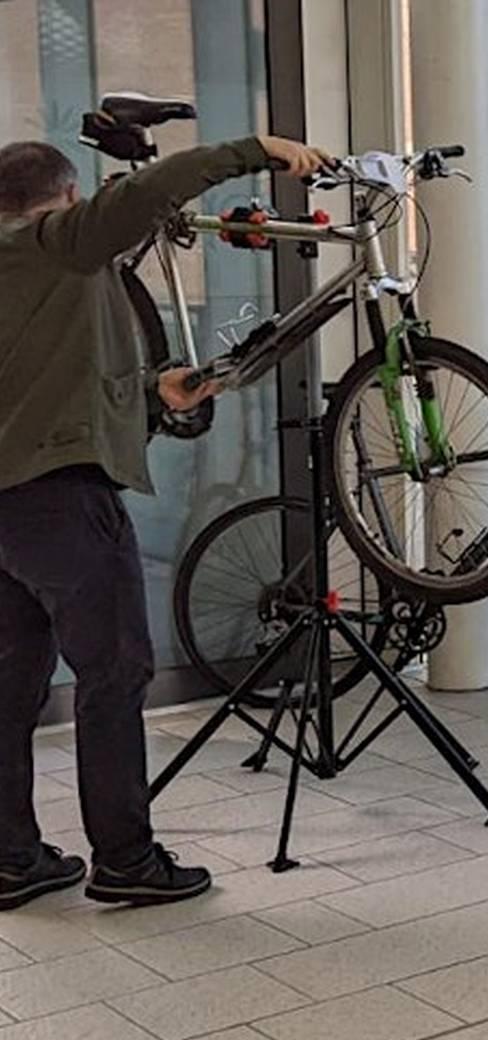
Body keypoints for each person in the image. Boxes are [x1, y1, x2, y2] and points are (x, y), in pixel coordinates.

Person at [0, 131, 330, 909]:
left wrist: (154, 391)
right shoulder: (59, 244)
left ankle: (13, 859)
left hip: (9, 506)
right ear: (71, 198)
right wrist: (259, 148)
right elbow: (154, 190)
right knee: (114, 676)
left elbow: (40, 384)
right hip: (63, 497)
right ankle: (126, 860)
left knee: (11, 683)